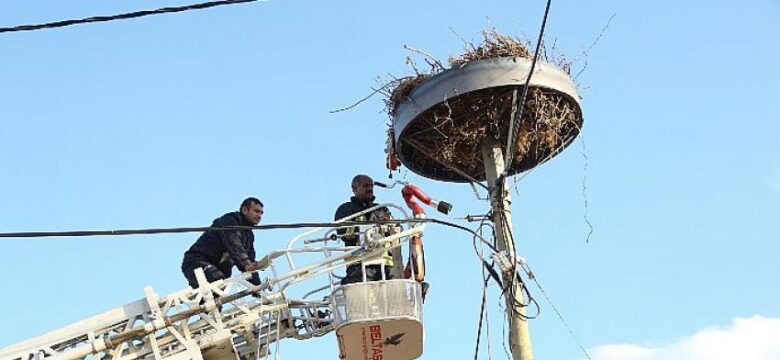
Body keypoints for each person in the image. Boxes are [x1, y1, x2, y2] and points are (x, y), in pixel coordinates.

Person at [182, 197, 264, 288]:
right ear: (245, 210)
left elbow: (250, 261)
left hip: (216, 270)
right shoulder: (229, 221)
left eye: (261, 213)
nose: (259, 215)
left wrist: (258, 288)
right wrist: (245, 264)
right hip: (196, 262)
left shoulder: (249, 236)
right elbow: (233, 243)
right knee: (220, 283)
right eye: (256, 211)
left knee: (221, 286)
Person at [335, 174, 395, 285]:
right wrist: (370, 226)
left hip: (385, 265)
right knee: (362, 298)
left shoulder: (381, 208)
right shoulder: (346, 209)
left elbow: (395, 230)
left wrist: (386, 224)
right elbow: (343, 233)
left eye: (372, 186)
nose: (370, 189)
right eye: (366, 185)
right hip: (359, 265)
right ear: (354, 188)